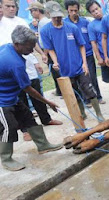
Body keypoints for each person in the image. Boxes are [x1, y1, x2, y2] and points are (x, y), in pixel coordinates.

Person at [0, 25, 63, 171]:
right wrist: (48, 102)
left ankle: (43, 145)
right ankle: (6, 158)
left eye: (33, 45)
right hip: (2, 101)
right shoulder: (15, 63)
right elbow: (28, 89)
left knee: (28, 118)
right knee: (9, 127)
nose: (32, 49)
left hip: (12, 96)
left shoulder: (8, 48)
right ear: (17, 44)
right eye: (29, 47)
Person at [40, 1, 105, 122]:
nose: (58, 19)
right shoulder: (45, 31)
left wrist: (84, 63)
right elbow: (50, 49)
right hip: (64, 68)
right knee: (74, 93)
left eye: (59, 16)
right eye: (55, 17)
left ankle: (99, 113)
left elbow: (81, 45)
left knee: (89, 89)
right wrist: (55, 62)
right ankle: (82, 113)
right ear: (49, 14)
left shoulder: (72, 28)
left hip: (79, 66)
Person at [64, 0, 105, 106]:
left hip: (88, 54)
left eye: (75, 10)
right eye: (71, 10)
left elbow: (92, 38)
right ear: (67, 10)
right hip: (75, 57)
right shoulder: (65, 24)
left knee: (92, 76)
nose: (73, 13)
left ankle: (98, 97)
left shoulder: (85, 22)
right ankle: (86, 100)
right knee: (80, 79)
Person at [27, 1, 62, 97]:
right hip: (49, 50)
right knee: (54, 72)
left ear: (37, 11)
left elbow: (48, 41)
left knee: (56, 72)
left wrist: (45, 54)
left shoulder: (44, 23)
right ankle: (60, 90)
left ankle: (62, 90)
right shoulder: (41, 22)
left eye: (31, 11)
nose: (31, 14)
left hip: (50, 51)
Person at [86, 0, 109, 98]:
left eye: (97, 9)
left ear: (101, 8)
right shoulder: (91, 25)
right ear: (90, 14)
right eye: (93, 11)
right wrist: (99, 58)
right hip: (104, 57)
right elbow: (93, 43)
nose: (96, 12)